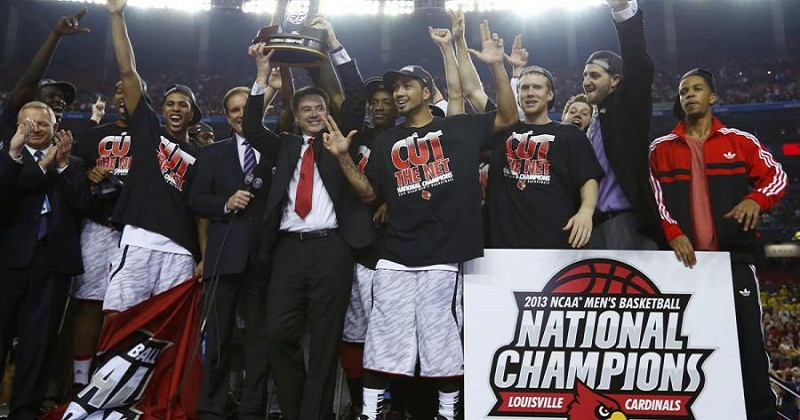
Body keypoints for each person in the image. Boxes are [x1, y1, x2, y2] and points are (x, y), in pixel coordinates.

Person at [324, 20, 518, 420]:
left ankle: (447, 412)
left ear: (427, 92)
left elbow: (507, 117)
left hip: (443, 255)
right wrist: (343, 157)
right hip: (395, 253)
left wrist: (497, 66)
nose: (398, 93)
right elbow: (369, 193)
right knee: (382, 336)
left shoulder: (457, 129)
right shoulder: (386, 141)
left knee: (440, 339)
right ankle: (371, 411)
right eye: (395, 87)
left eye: (406, 86)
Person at [242, 40, 374, 420]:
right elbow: (251, 127)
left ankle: (313, 414)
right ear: (297, 118)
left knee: (325, 339)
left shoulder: (338, 143)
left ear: (328, 113)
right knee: (279, 332)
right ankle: (295, 407)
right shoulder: (284, 147)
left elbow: (356, 96)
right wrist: (261, 75)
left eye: (320, 108)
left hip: (332, 248)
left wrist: (336, 47)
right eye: (307, 110)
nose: (314, 114)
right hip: (288, 250)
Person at [649, 68, 786, 419]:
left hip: (733, 260)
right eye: (683, 91)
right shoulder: (660, 149)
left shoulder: (740, 141)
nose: (689, 95)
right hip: (681, 263)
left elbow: (776, 176)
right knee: (686, 343)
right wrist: (673, 232)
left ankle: (761, 414)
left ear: (712, 97)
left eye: (696, 89)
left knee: (748, 343)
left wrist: (756, 199)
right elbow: (654, 198)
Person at [103, 0, 204, 315]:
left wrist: (203, 255)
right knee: (118, 316)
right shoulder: (149, 132)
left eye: (183, 104)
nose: (175, 108)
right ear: (162, 109)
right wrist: (117, 16)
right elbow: (128, 72)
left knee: (168, 329)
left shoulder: (201, 156)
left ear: (193, 114)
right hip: (139, 241)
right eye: (170, 103)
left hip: (182, 251)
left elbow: (201, 213)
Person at [189, 85, 276, 420]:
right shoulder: (212, 153)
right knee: (218, 337)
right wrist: (225, 203)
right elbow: (196, 200)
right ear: (227, 117)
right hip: (223, 257)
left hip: (264, 259)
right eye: (235, 110)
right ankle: (212, 407)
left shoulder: (274, 149)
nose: (241, 115)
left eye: (246, 108)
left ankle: (252, 410)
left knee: (258, 341)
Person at [0, 102, 91, 420]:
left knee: (38, 342)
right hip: (9, 262)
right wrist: (27, 159)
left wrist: (62, 165)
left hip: (52, 264)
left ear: (55, 128)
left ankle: (25, 410)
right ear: (18, 127)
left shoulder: (72, 163)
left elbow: (84, 204)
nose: (36, 129)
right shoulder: (8, 160)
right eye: (29, 123)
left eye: (43, 123)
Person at [488, 65, 603, 249]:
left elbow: (588, 177)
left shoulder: (570, 134)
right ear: (517, 95)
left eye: (537, 87)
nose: (530, 93)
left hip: (558, 242)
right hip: (505, 246)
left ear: (550, 94)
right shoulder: (502, 130)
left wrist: (586, 211)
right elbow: (472, 91)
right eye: (524, 88)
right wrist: (495, 63)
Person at [581, 0, 663, 250]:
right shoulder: (593, 122)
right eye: (585, 75)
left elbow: (639, 68)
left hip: (625, 223)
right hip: (590, 226)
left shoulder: (625, 110)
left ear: (616, 80)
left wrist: (622, 12)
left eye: (595, 75)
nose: (586, 81)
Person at [67, 81, 131, 391]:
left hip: (134, 233)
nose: (123, 94)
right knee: (89, 304)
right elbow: (73, 176)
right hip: (96, 227)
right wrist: (88, 176)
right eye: (118, 89)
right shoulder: (95, 136)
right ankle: (80, 381)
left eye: (130, 89)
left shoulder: (153, 137)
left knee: (123, 308)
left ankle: (112, 379)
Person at [0, 7, 89, 144]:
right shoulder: (16, 122)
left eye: (62, 98)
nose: (60, 101)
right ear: (33, 100)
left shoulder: (61, 146)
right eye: (51, 96)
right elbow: (31, 77)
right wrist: (56, 35)